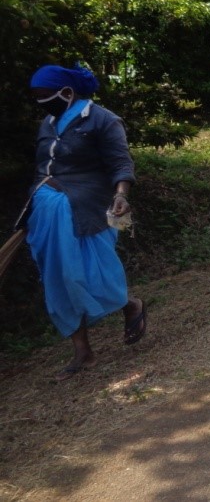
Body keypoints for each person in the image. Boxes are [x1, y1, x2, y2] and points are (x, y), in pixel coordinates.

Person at [25, 64, 145, 381]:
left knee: (93, 275)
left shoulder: (103, 120)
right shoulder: (48, 124)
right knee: (59, 279)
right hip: (47, 214)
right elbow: (43, 168)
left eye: (43, 95)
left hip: (91, 209)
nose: (40, 101)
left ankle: (130, 305)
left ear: (67, 92)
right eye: (35, 96)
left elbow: (121, 162)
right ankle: (83, 351)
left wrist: (122, 195)